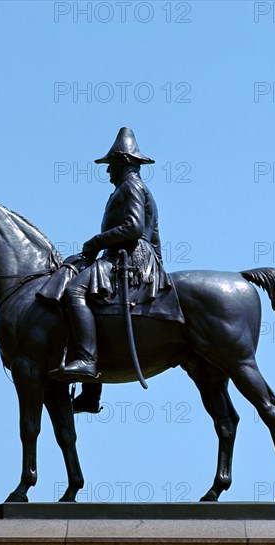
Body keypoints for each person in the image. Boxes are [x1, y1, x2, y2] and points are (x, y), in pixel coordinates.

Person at [50, 128, 167, 400]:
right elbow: (156, 237)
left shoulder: (131, 186)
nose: (107, 172)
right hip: (125, 257)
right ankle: (91, 394)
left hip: (127, 258)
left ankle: (87, 360)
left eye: (111, 164)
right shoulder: (125, 189)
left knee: (74, 291)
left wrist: (95, 242)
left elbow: (134, 227)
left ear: (123, 161)